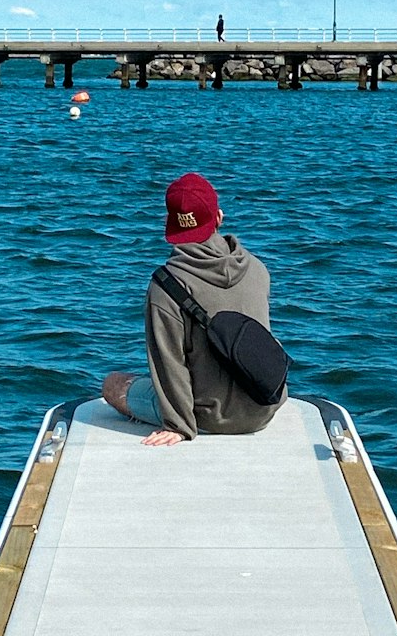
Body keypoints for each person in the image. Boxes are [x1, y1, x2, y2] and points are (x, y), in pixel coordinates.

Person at [102, 173, 286, 446]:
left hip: (207, 417)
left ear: (170, 226)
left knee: (113, 384)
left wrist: (179, 426)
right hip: (264, 407)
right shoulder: (258, 270)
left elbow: (169, 362)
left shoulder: (165, 286)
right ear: (219, 217)